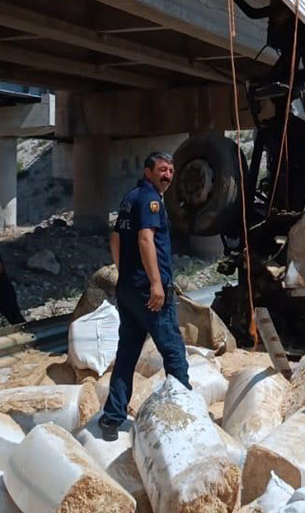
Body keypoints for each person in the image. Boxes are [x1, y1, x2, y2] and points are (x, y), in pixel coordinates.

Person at [99, 151, 190, 440]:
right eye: (162, 170)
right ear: (147, 171)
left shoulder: (131, 197)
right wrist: (155, 284)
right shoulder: (150, 200)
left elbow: (115, 237)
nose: (168, 176)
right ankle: (186, 418)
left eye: (171, 171)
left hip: (128, 289)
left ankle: (112, 419)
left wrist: (123, 271)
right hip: (149, 293)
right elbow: (145, 238)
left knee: (126, 355)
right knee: (174, 352)